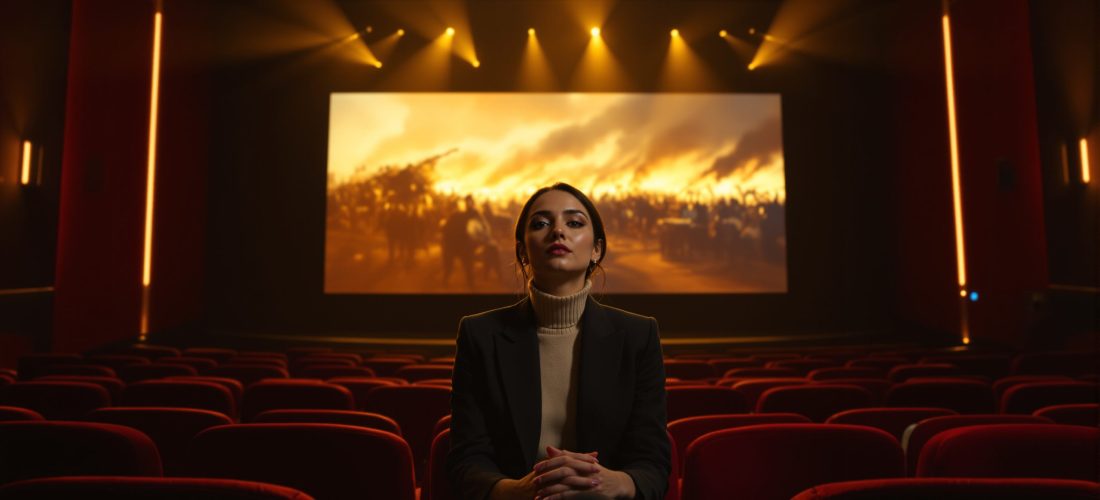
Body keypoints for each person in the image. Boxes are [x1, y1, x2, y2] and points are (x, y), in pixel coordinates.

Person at [448, 183, 670, 500]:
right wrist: (515, 491)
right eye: (541, 223)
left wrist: (611, 483)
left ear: (596, 248)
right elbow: (466, 461)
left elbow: (653, 464)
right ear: (523, 250)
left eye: (574, 222)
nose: (557, 232)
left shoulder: (638, 336)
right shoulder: (479, 334)